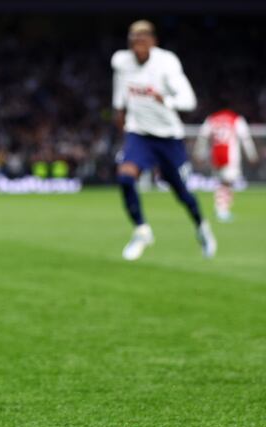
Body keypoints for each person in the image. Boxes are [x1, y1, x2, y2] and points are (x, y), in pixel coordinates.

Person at [111, 19, 216, 260]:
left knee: (181, 191)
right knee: (126, 177)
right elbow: (119, 92)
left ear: (153, 41)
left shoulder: (167, 63)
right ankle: (142, 230)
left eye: (143, 37)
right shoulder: (122, 62)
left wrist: (165, 100)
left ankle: (201, 226)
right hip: (139, 133)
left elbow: (189, 100)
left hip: (168, 136)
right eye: (134, 38)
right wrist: (119, 114)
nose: (138, 42)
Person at [194, 107, 259, 222]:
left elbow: (202, 136)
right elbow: (246, 139)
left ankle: (222, 208)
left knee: (222, 183)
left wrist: (199, 153)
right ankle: (222, 210)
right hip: (231, 157)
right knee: (226, 184)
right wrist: (251, 155)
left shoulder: (212, 119)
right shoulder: (236, 119)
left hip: (215, 156)